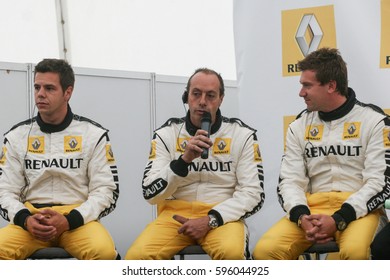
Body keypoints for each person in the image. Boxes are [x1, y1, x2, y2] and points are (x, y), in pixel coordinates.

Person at [253, 47, 390, 260]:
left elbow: (379, 183)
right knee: (264, 251)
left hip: (359, 212)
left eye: (307, 85)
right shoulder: (298, 126)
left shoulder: (374, 121)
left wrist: (339, 219)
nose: (301, 92)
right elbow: (289, 180)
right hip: (311, 210)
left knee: (355, 252)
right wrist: (301, 216)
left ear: (331, 86)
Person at [125, 68, 264, 260]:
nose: (202, 101)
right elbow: (150, 193)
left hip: (223, 216)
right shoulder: (167, 134)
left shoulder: (242, 135)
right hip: (174, 217)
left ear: (221, 99)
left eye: (211, 95)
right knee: (137, 258)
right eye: (196, 94)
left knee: (231, 254)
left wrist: (210, 220)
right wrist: (183, 161)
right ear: (187, 96)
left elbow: (253, 194)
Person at [0, 58, 120, 260]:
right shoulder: (16, 136)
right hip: (31, 220)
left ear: (68, 92)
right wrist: (25, 219)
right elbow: (5, 191)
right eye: (37, 87)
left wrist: (70, 220)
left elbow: (106, 191)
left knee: (105, 254)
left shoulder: (93, 134)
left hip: (77, 221)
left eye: (49, 88)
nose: (40, 94)